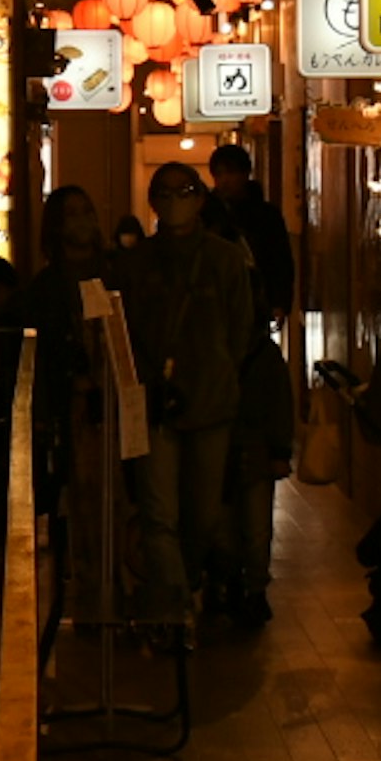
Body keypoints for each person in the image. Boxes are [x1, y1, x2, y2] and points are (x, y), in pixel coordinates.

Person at [113, 163, 254, 630]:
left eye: (185, 191)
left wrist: (218, 374)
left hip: (211, 403)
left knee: (203, 513)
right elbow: (123, 331)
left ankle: (185, 583)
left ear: (199, 200)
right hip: (152, 406)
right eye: (165, 192)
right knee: (157, 514)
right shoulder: (135, 264)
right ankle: (174, 608)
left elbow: (241, 333)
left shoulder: (226, 260)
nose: (175, 200)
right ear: (152, 201)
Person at [12, 184, 112, 491]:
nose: (82, 220)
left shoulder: (117, 273)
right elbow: (38, 357)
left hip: (114, 399)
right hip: (67, 404)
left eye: (86, 212)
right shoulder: (45, 287)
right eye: (72, 214)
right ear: (57, 225)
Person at [219, 311, 294, 629]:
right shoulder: (267, 355)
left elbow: (279, 404)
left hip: (233, 446)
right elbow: (281, 404)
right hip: (251, 449)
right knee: (253, 526)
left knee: (237, 524)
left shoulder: (226, 350)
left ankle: (243, 586)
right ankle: (248, 588)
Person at [204, 139, 295, 350]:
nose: (225, 180)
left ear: (245, 174)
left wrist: (280, 302)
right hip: (214, 302)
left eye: (231, 173)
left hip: (256, 302)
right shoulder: (206, 214)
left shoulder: (266, 215)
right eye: (219, 174)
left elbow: (280, 260)